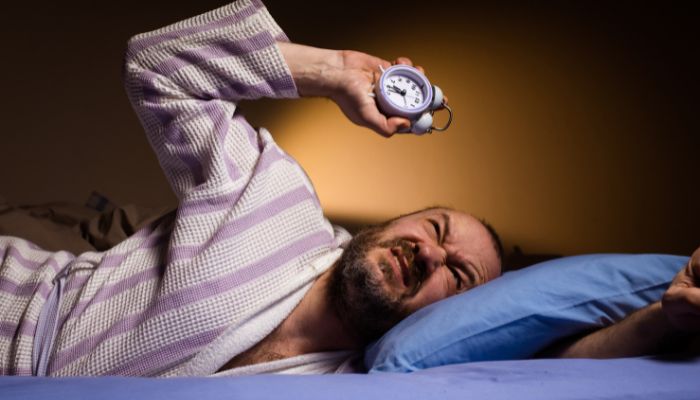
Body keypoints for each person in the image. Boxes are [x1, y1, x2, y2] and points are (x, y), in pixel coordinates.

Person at [0, 0, 697, 378]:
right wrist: (332, 71)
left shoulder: (353, 377)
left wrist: (664, 319)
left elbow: (557, 360)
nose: (430, 254)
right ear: (394, 221)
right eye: (434, 227)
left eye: (458, 276)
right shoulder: (272, 198)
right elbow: (155, 66)